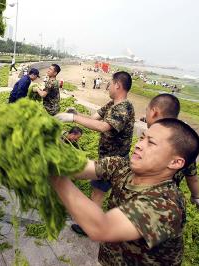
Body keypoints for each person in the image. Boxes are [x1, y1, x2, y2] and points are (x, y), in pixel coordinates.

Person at [51, 118, 199, 265]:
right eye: (142, 138)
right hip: (111, 257)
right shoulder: (123, 166)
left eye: (151, 142)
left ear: (175, 162)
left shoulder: (167, 205)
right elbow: (77, 167)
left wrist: (55, 178)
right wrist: (45, 153)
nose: (139, 145)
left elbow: (101, 227)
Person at [55, 71, 135, 235]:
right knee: (99, 193)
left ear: (117, 85)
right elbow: (94, 118)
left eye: (109, 84)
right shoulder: (112, 104)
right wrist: (75, 114)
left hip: (115, 162)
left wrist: (73, 119)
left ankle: (92, 227)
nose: (108, 87)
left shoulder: (124, 108)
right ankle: (96, 225)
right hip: (107, 159)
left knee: (99, 194)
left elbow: (104, 126)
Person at [145, 93, 199, 209]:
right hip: (167, 199)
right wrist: (196, 196)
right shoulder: (184, 140)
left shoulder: (151, 137)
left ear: (154, 112)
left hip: (142, 193)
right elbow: (192, 177)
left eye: (146, 110)